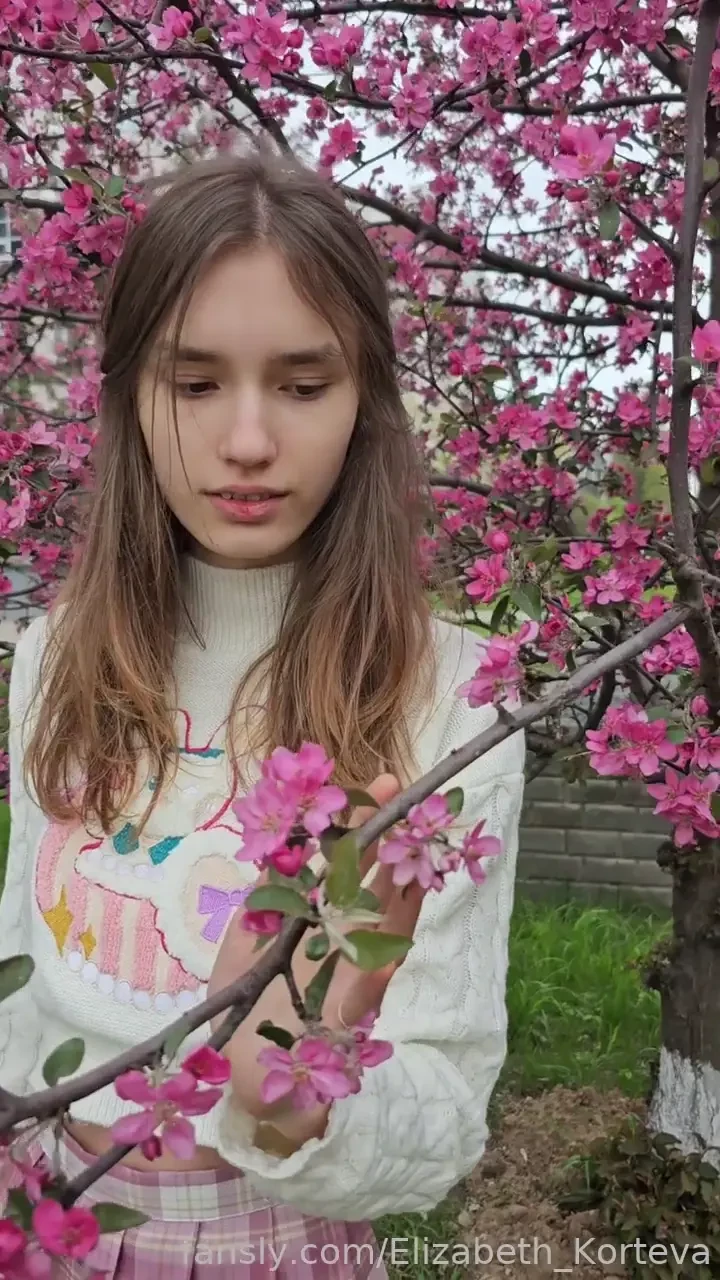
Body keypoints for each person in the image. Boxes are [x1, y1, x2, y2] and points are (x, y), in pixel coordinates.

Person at [0, 146, 526, 1278]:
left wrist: (288, 1090)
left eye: (302, 384)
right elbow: (20, 982)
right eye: (194, 384)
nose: (247, 442)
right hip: (48, 1223)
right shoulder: (52, 657)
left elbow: (443, 1114)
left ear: (365, 399)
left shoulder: (453, 692)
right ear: (128, 397)